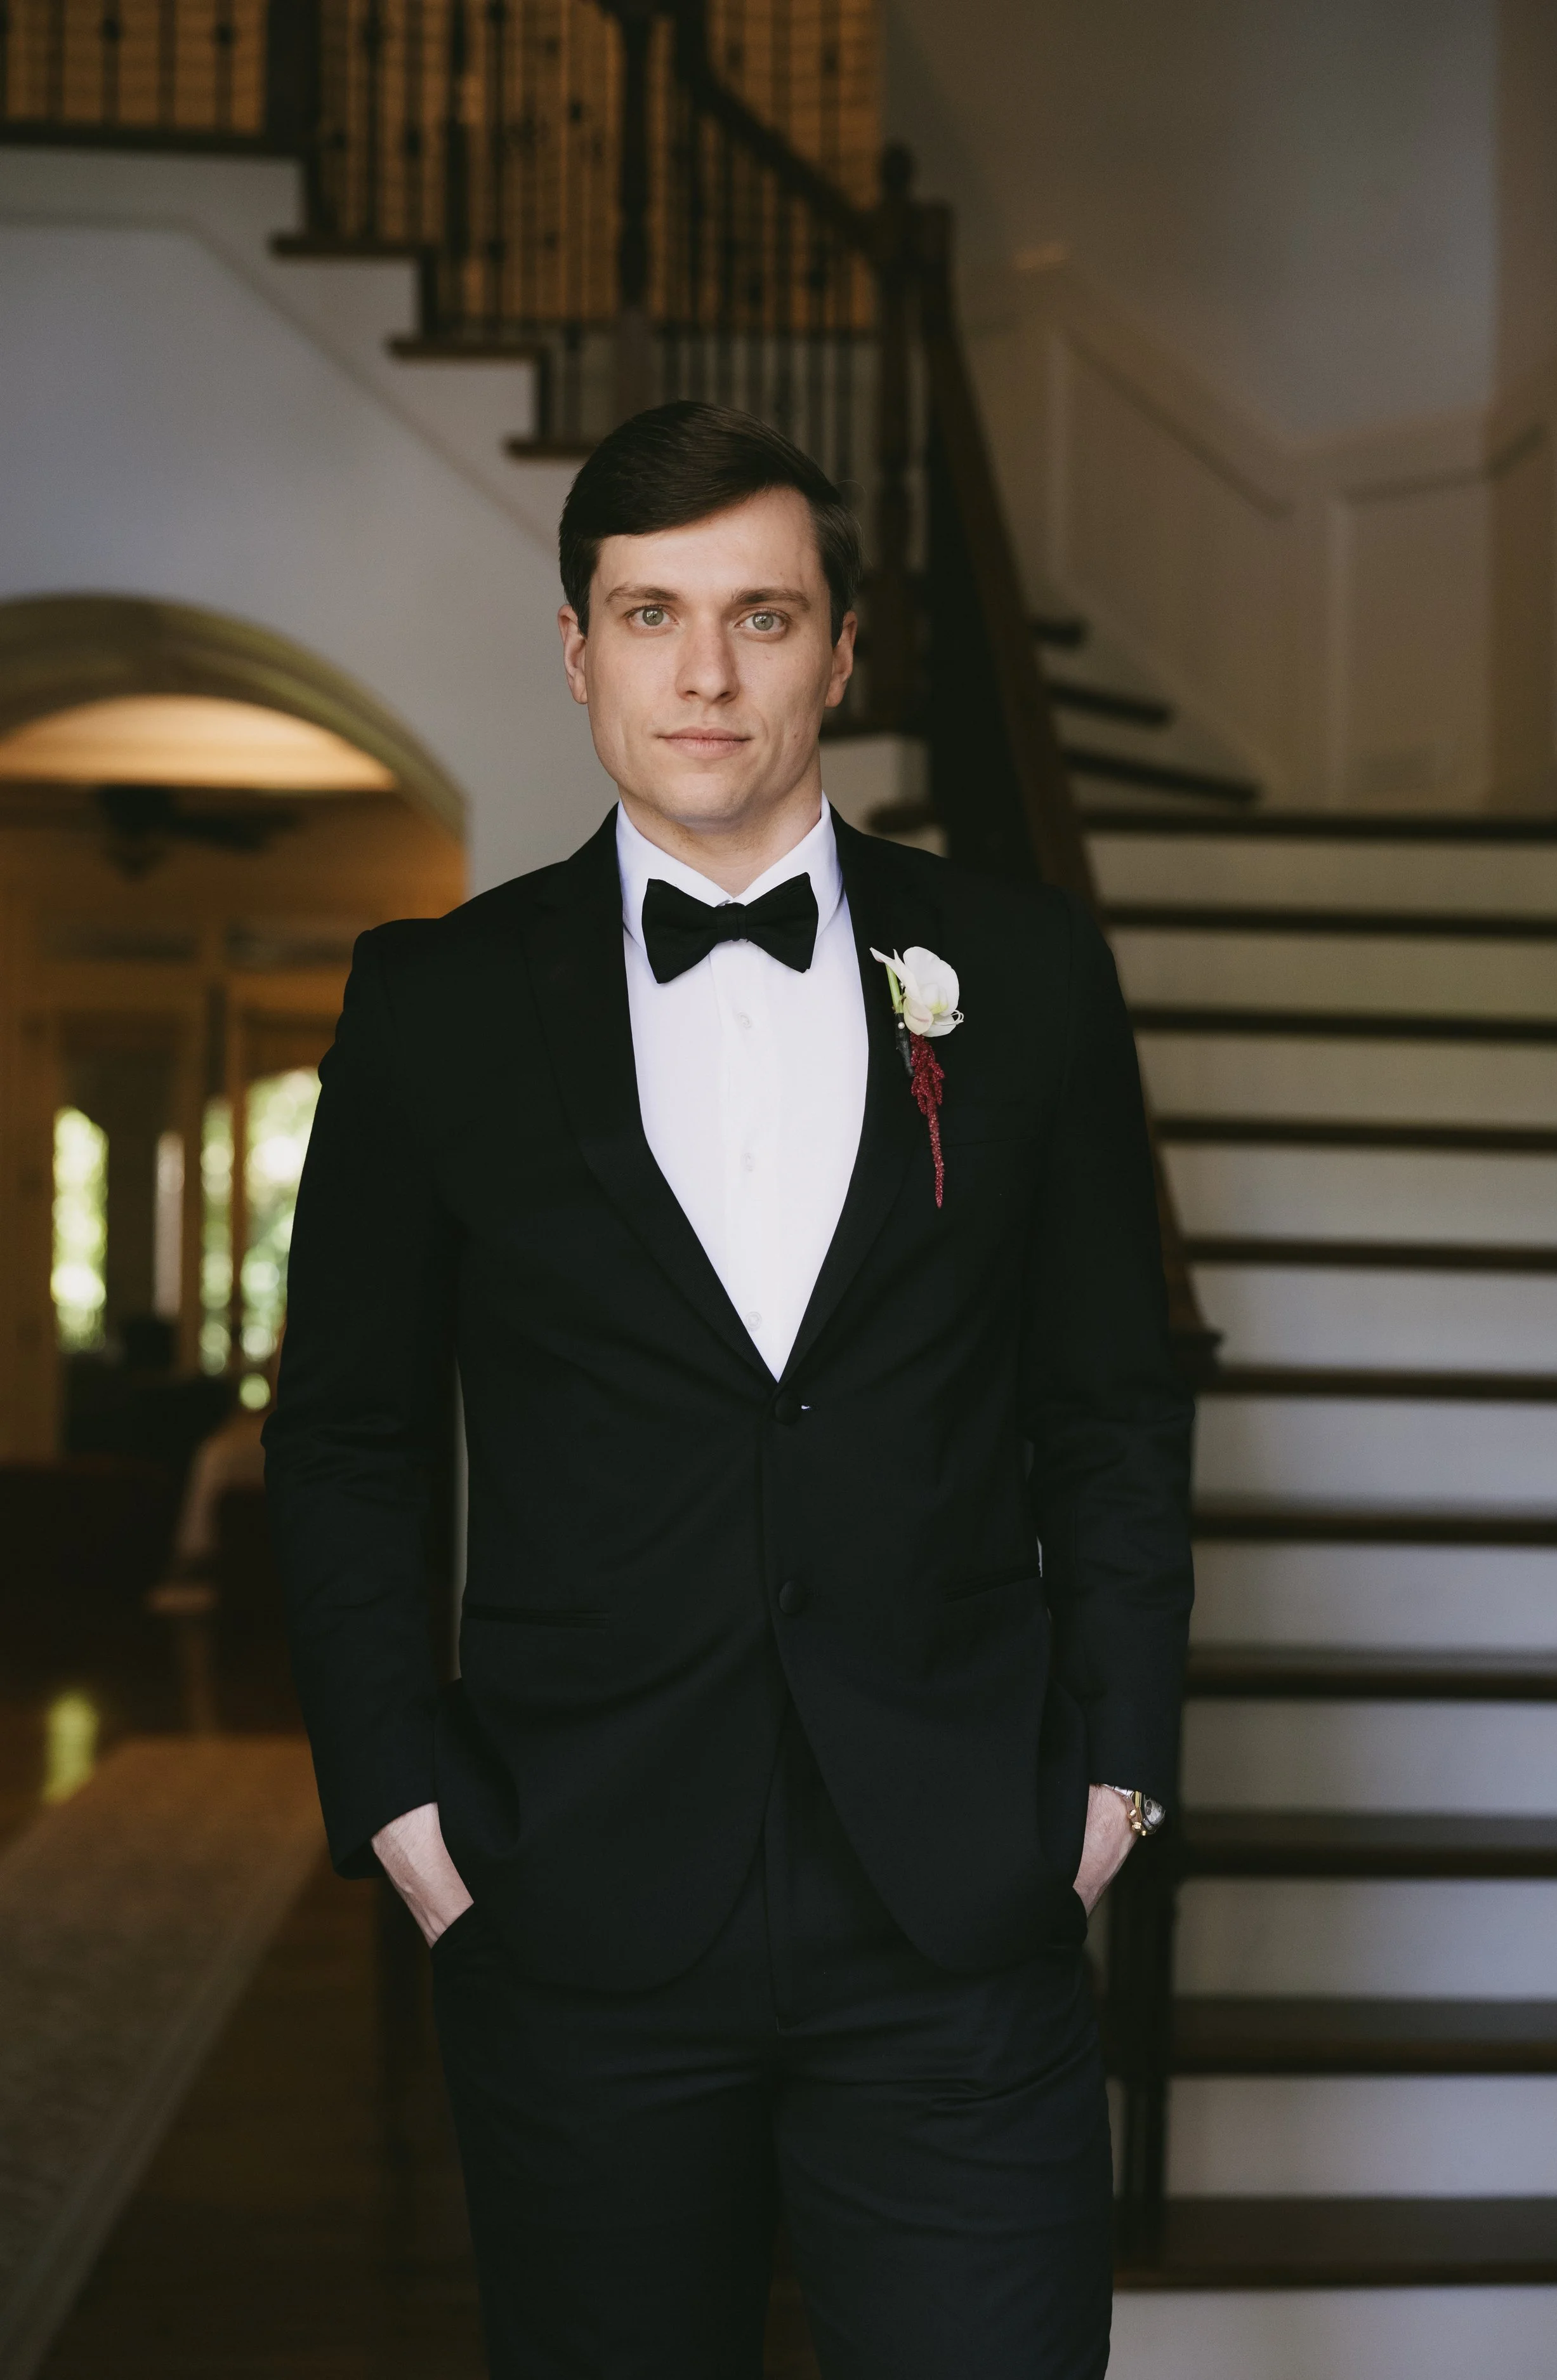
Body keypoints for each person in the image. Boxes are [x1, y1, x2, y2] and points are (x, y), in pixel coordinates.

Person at [266, 400, 1193, 2379]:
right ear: (576, 648)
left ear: (841, 650)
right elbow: (342, 1430)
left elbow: (1111, 1401)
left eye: (760, 617)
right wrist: (405, 1808)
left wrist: (1110, 1775)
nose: (704, 672)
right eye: (649, 612)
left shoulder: (1020, 973)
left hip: (956, 1908)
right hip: (570, 1900)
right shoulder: (430, 1001)